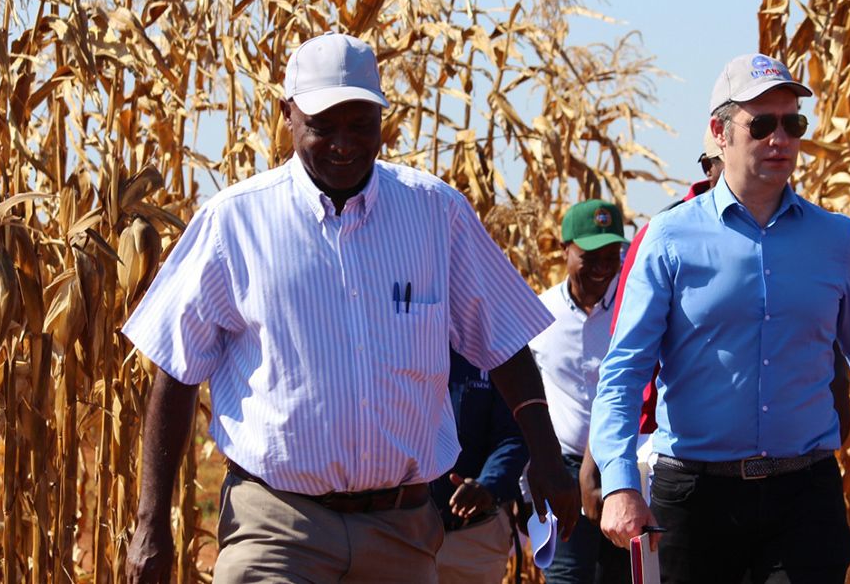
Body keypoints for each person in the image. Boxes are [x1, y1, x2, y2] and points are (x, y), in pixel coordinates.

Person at [123, 31, 579, 584]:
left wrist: (548, 460)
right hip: (275, 524)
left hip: (402, 528)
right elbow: (175, 370)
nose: (344, 143)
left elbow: (504, 341)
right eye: (323, 125)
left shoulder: (437, 214)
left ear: (382, 119)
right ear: (287, 114)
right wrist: (151, 524)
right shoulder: (232, 223)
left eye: (361, 124)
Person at [590, 53, 850, 583]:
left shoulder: (835, 240)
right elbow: (623, 372)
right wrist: (619, 483)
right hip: (693, 501)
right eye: (761, 125)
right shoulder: (668, 239)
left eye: (793, 123)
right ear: (719, 132)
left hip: (803, 498)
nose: (780, 138)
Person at [612, 129, 850, 440]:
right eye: (729, 165)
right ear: (708, 167)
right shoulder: (664, 236)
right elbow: (629, 356)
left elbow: (821, 333)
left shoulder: (805, 231)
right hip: (673, 445)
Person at [528, 199, 633, 584]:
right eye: (591, 256)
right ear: (564, 249)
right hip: (564, 471)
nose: (603, 266)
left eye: (612, 255)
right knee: (567, 577)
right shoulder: (540, 314)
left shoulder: (635, 308)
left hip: (626, 470)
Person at [431, 349, 530, 584]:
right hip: (402, 532)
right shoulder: (395, 346)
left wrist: (488, 484)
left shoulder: (494, 350)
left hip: (475, 537)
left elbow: (514, 436)